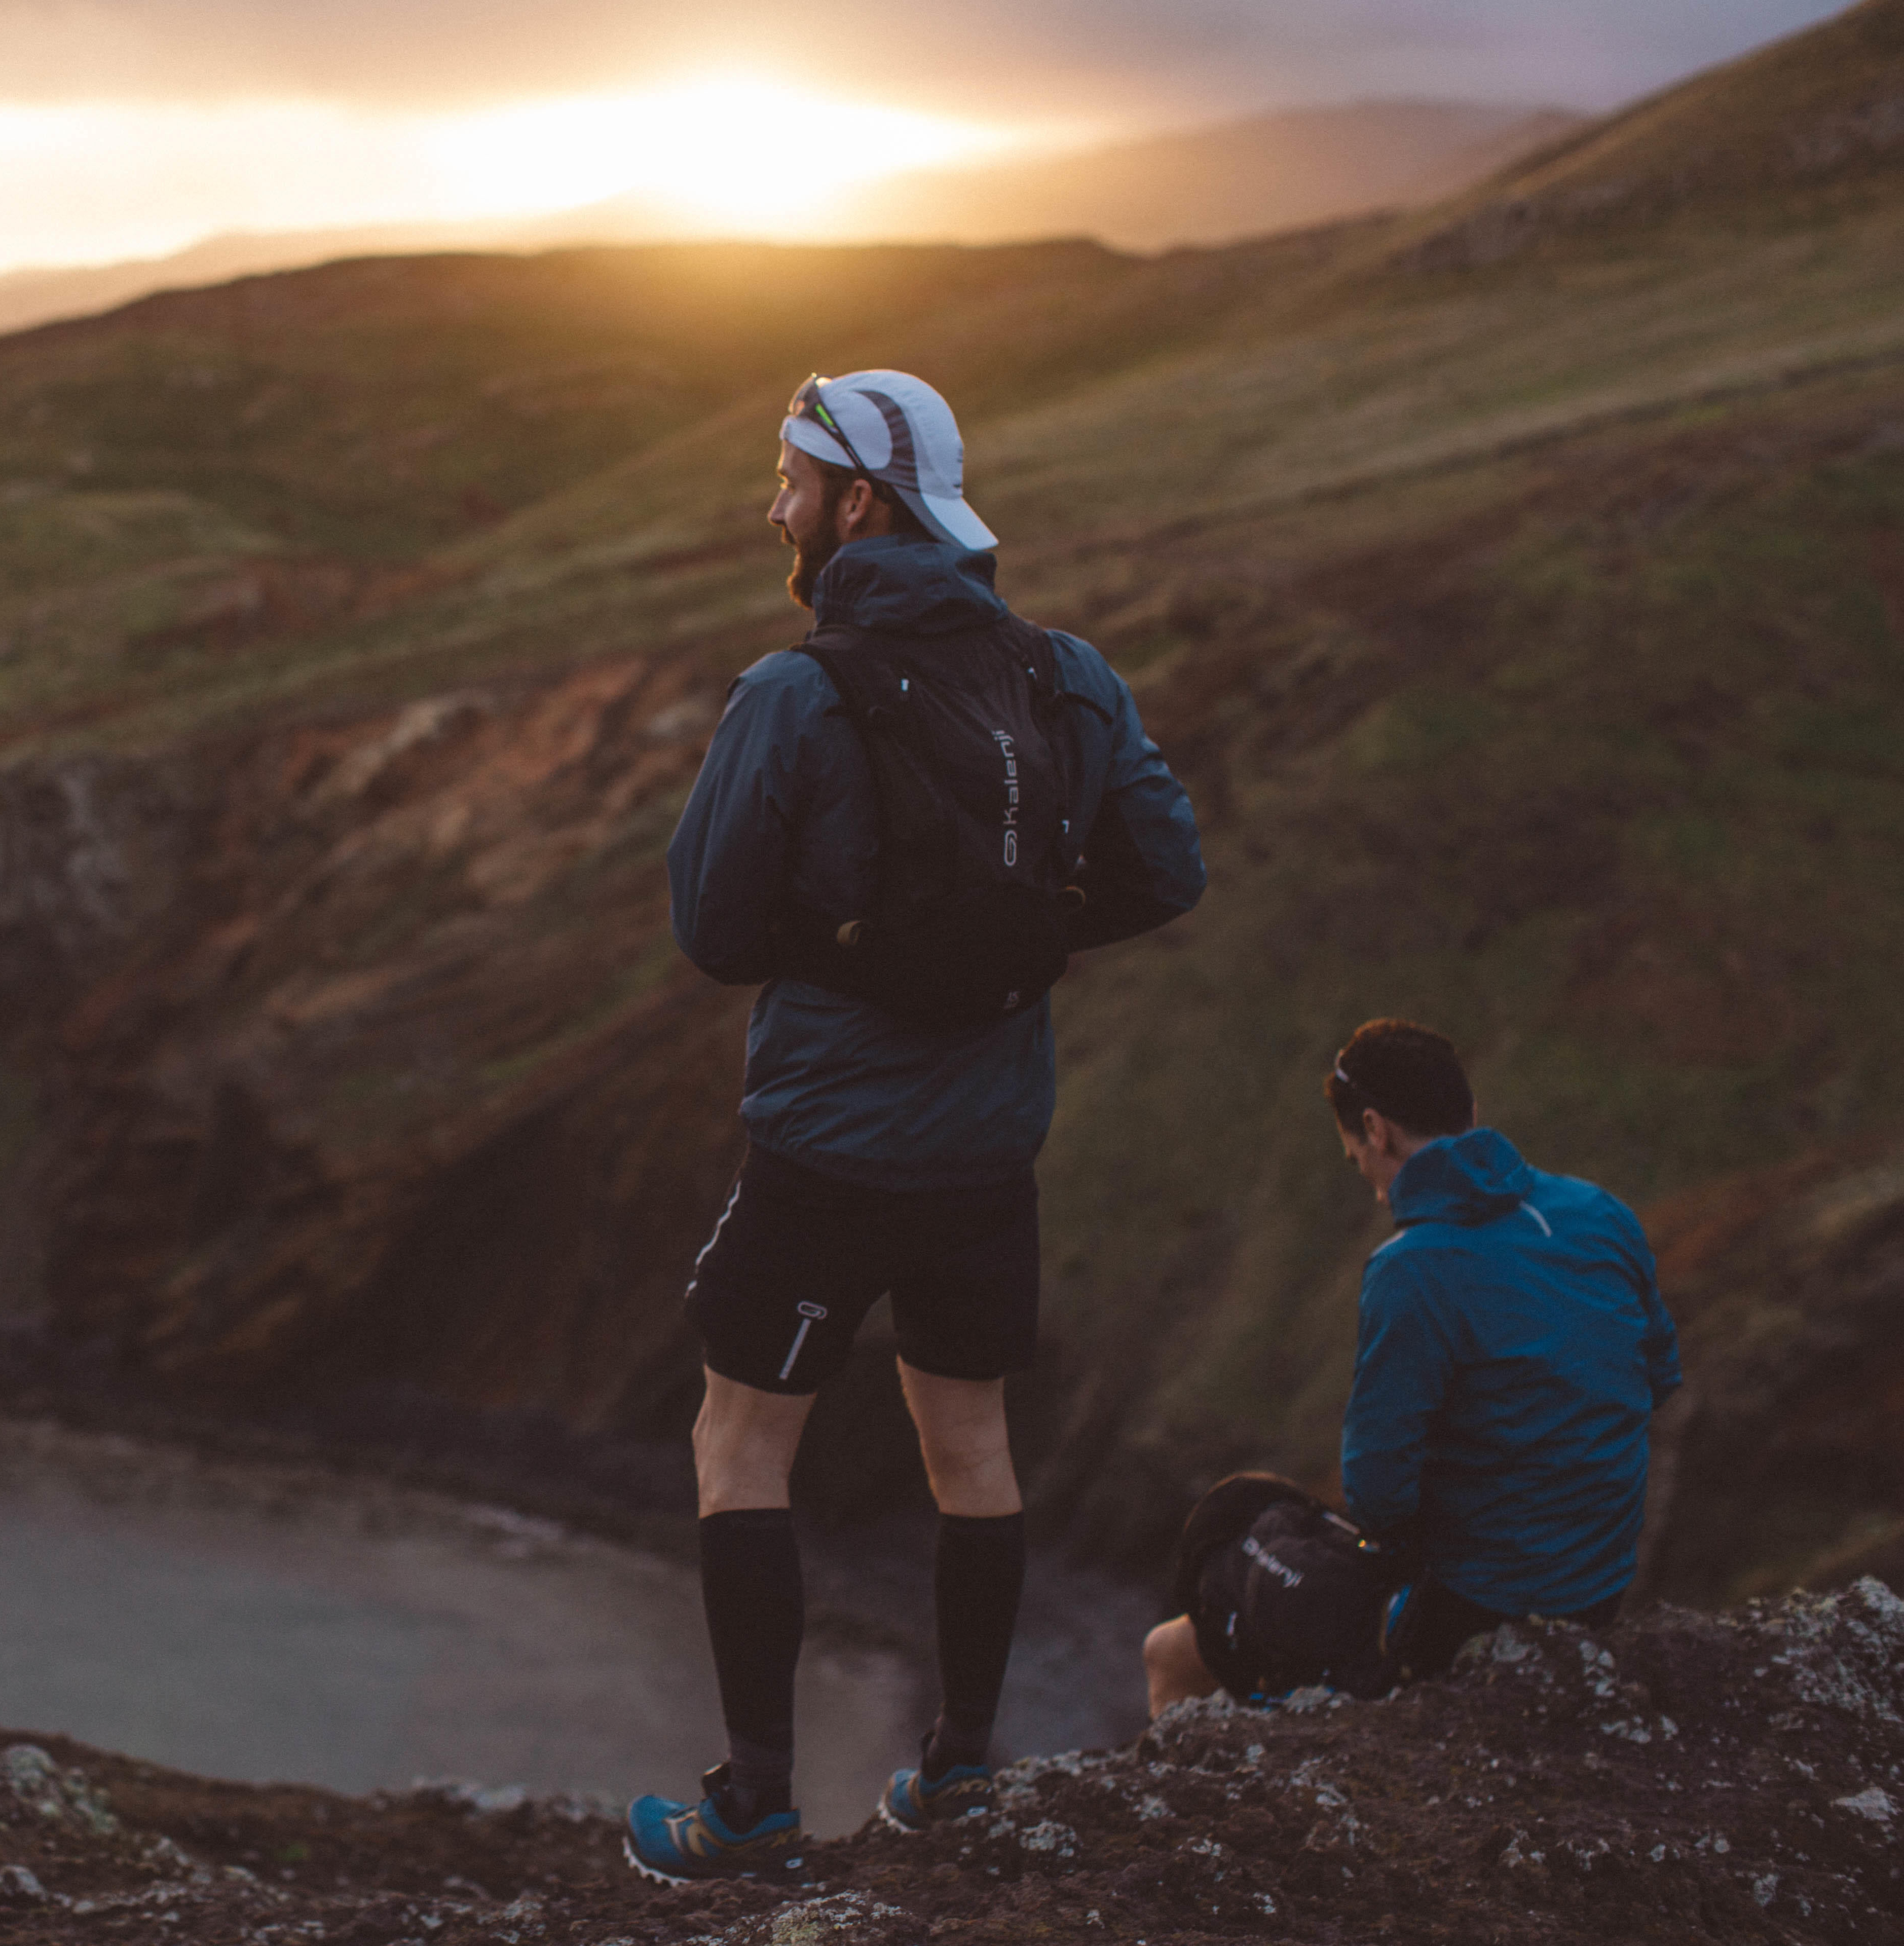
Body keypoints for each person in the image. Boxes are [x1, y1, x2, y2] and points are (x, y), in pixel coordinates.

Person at [625, 371, 1206, 1884]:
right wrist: (1021, 936)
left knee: (741, 1438)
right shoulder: (1063, 673)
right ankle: (958, 1772)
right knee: (971, 1444)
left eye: (788, 480)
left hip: (826, 1145)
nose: (775, 508)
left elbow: (710, 926)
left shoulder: (794, 692)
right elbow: (1167, 868)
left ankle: (752, 1800)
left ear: (856, 501)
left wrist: (854, 942)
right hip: (987, 1149)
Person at [1142, 1019, 1683, 1714]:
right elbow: (1660, 1374)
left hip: (1475, 1608)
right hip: (1600, 1584)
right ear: (1472, 1116)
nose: (1370, 1185)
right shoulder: (1599, 1212)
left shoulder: (1415, 1268)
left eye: (1354, 1158)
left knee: (1175, 1645)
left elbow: (1379, 1495)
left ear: (1376, 1130)